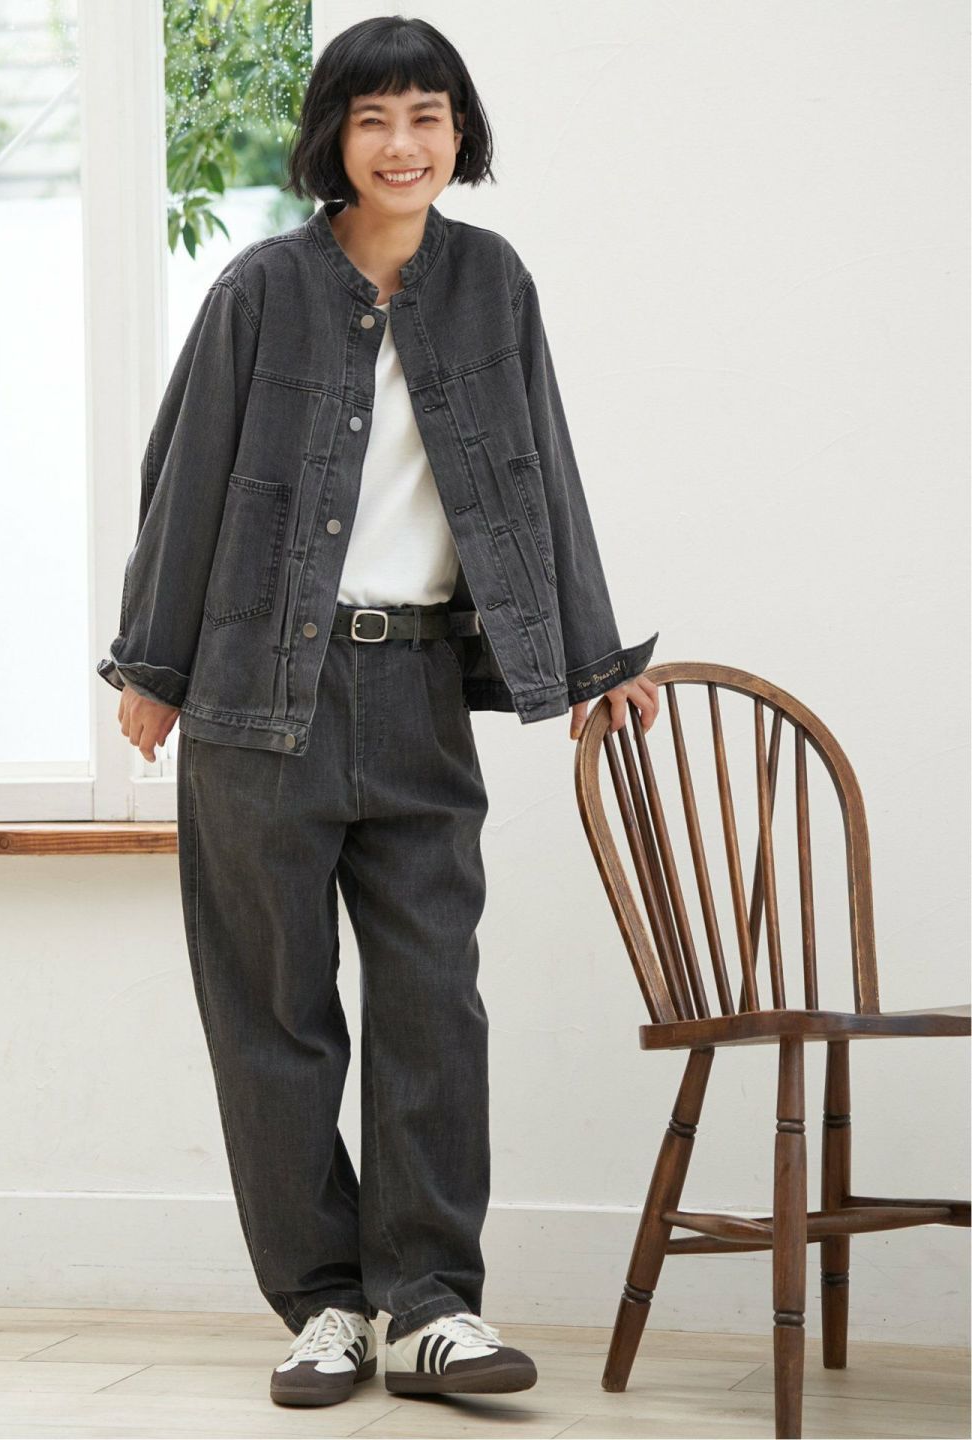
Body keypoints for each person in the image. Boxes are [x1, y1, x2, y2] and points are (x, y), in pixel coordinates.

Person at [102, 13, 660, 1410]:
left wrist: (591, 659)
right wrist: (153, 670)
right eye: (373, 119)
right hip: (255, 698)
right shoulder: (261, 291)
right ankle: (325, 1306)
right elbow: (185, 476)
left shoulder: (493, 284)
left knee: (432, 1005)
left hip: (416, 690)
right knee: (272, 1015)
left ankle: (428, 1305)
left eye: (427, 115)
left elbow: (542, 471)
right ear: (333, 142)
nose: (402, 144)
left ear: (459, 132)